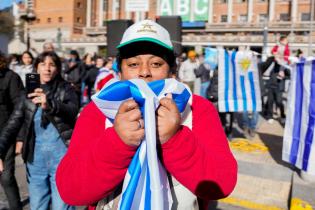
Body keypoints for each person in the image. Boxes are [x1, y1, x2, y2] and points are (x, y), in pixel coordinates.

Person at [56, 19, 237, 210]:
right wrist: (117, 142)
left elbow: (221, 184)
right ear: (120, 70)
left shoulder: (198, 108)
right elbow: (71, 191)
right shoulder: (97, 109)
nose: (144, 72)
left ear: (172, 69)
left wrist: (174, 139)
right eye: (133, 64)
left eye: (156, 64)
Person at [0, 51, 79, 209]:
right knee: (37, 205)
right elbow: (12, 124)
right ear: (36, 68)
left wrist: (50, 104)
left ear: (57, 68)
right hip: (35, 160)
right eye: (43, 64)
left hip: (61, 159)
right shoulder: (27, 95)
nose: (47, 69)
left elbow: (72, 110)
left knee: (62, 206)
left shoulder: (66, 89)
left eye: (52, 65)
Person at [0, 51, 24, 210]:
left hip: (6, 134)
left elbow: (19, 108)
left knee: (6, 177)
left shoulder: (11, 77)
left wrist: (20, 138)